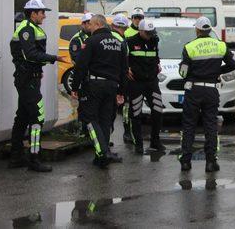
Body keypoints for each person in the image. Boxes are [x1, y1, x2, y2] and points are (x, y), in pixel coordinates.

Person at [8, 0, 67, 172]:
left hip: (30, 78)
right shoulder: (27, 29)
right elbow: (30, 54)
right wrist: (54, 58)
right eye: (42, 12)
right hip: (27, 80)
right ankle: (34, 159)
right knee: (37, 118)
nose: (45, 15)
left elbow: (33, 56)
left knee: (22, 117)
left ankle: (16, 157)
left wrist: (38, 69)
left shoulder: (32, 27)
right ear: (33, 13)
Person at [178, 16, 235, 172]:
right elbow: (234, 64)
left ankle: (186, 161)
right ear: (210, 30)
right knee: (211, 126)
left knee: (189, 125)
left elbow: (183, 72)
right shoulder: (220, 46)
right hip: (211, 89)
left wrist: (190, 71)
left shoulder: (189, 47)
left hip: (194, 90)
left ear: (197, 30)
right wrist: (217, 71)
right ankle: (211, 162)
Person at [71, 15, 128, 169]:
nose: (89, 27)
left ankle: (102, 153)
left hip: (94, 85)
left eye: (90, 24)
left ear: (97, 24)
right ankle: (101, 155)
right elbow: (124, 70)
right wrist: (121, 91)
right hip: (112, 86)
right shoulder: (118, 43)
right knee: (104, 120)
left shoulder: (92, 41)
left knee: (89, 118)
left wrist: (75, 88)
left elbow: (81, 66)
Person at [126, 18, 166, 154]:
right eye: (147, 33)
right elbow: (121, 57)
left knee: (158, 110)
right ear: (140, 31)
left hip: (152, 81)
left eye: (151, 32)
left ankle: (155, 141)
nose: (150, 35)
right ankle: (138, 144)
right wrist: (126, 68)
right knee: (136, 113)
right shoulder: (130, 41)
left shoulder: (154, 40)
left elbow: (155, 56)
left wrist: (157, 64)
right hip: (136, 82)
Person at [111, 14, 133, 144]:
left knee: (108, 112)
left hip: (107, 79)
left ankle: (104, 141)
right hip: (117, 81)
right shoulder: (121, 41)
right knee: (111, 111)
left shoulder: (106, 37)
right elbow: (122, 64)